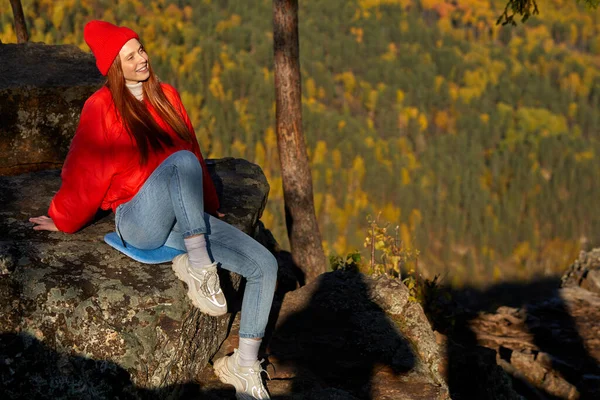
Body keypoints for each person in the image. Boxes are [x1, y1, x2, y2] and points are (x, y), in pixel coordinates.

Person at [29, 20, 276, 400]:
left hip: (184, 217)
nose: (142, 59)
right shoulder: (101, 107)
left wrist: (208, 204)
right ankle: (199, 265)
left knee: (265, 265)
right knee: (180, 163)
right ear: (114, 67)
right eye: (130, 57)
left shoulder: (167, 96)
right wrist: (62, 218)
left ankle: (242, 365)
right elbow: (84, 172)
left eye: (141, 49)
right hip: (138, 219)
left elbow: (193, 152)